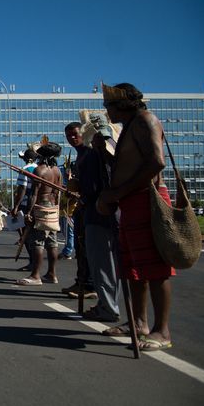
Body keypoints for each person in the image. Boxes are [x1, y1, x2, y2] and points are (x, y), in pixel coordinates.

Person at [97, 82, 175, 351]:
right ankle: (139, 323)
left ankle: (161, 330)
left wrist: (118, 192)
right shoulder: (130, 126)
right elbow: (127, 165)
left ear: (121, 104)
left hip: (147, 200)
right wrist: (102, 151)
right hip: (130, 203)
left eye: (107, 105)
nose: (106, 111)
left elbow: (156, 162)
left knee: (155, 268)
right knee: (133, 268)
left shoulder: (145, 120)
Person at [76, 119, 121, 322]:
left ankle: (108, 307)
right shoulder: (111, 155)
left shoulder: (96, 157)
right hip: (111, 214)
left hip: (99, 214)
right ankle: (107, 304)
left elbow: (91, 188)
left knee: (103, 264)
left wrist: (80, 194)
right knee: (109, 264)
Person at [17, 143, 62, 286]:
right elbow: (57, 192)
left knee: (38, 241)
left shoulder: (39, 170)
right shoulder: (57, 171)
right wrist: (57, 208)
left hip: (41, 206)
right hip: (53, 207)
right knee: (52, 242)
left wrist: (29, 212)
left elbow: (34, 194)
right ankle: (52, 274)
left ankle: (35, 275)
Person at [60, 124, 97, 300]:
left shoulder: (90, 153)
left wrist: (81, 195)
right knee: (80, 249)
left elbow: (93, 183)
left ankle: (89, 285)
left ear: (83, 134)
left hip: (91, 207)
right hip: (82, 206)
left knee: (87, 248)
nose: (72, 138)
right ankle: (81, 282)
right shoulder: (80, 155)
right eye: (68, 136)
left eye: (75, 134)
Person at [11, 148, 38, 271]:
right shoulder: (41, 168)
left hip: (27, 205)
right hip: (39, 205)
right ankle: (35, 262)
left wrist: (16, 206)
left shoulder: (26, 169)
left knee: (27, 235)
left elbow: (22, 189)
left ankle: (33, 262)